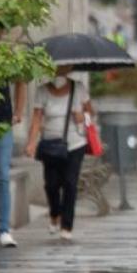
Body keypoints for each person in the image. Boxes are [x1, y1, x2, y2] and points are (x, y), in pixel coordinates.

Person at [24, 67, 92, 242]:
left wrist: (83, 117)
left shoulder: (79, 88)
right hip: (51, 145)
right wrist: (31, 142)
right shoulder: (42, 91)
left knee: (70, 183)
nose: (60, 72)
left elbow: (90, 112)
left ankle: (66, 226)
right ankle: (55, 214)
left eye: (64, 68)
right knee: (51, 184)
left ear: (69, 69)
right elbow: (37, 118)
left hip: (75, 144)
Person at [0, 79, 27, 246]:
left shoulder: (6, 62)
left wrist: (19, 111)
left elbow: (21, 80)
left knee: (2, 175)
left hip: (2, 123)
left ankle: (4, 229)